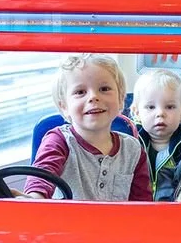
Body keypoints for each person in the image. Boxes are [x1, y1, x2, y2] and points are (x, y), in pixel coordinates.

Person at [25, 54, 152, 201]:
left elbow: (142, 201)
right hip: (65, 224)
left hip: (117, 224)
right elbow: (43, 174)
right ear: (64, 106)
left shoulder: (133, 149)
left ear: (120, 99)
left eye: (104, 89)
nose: (93, 97)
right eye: (80, 92)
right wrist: (34, 197)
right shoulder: (59, 141)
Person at [131, 68, 181, 201]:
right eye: (151, 107)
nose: (160, 113)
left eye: (170, 107)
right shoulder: (132, 140)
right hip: (137, 208)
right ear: (137, 112)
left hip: (174, 209)